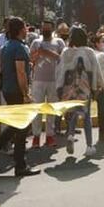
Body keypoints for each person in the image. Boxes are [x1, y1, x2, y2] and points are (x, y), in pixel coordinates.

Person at [0, 17, 39, 177]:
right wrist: (25, 93)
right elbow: (20, 72)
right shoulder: (20, 48)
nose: (27, 30)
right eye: (25, 27)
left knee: (17, 125)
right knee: (22, 127)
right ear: (21, 30)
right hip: (16, 90)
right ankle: (19, 165)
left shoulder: (6, 46)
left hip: (7, 89)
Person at [56, 26, 102, 157]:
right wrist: (97, 86)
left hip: (69, 88)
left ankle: (70, 135)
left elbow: (59, 71)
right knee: (86, 116)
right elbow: (96, 69)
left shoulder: (66, 52)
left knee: (73, 113)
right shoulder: (89, 52)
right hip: (84, 88)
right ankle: (89, 146)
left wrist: (59, 88)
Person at [29, 19, 64, 148]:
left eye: (48, 28)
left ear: (52, 29)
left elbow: (63, 59)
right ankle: (36, 136)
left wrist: (49, 53)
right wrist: (38, 53)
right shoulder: (36, 42)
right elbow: (31, 60)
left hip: (54, 80)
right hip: (38, 80)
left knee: (51, 109)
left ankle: (50, 135)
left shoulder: (59, 42)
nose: (46, 30)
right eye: (44, 28)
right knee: (37, 109)